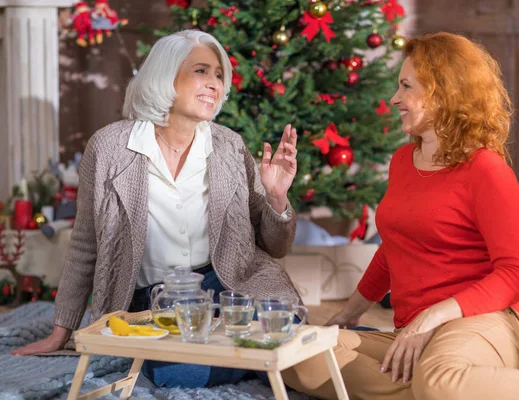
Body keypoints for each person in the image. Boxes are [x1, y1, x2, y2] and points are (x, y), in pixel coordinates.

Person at [281, 32, 519, 400]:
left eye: (405, 86)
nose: (394, 98)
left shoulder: (487, 171)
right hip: (414, 332)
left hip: (487, 323)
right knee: (297, 353)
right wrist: (348, 316)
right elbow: (395, 248)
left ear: (442, 92)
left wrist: (434, 316)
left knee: (438, 380)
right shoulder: (402, 162)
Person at [12, 29, 302, 388]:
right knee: (171, 373)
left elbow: (275, 246)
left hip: (226, 284)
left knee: (279, 318)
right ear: (165, 75)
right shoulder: (108, 148)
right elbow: (85, 244)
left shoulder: (229, 145)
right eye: (201, 71)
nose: (214, 83)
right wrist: (63, 330)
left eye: (218, 75)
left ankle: (250, 349)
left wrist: (276, 199)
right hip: (152, 300)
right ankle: (265, 359)